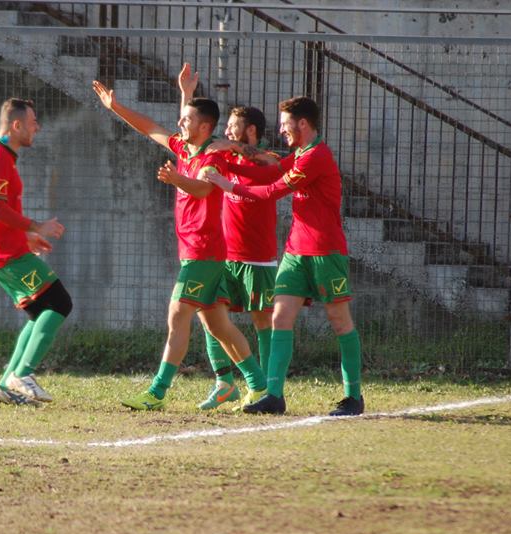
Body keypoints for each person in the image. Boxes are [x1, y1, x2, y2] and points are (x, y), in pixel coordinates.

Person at [93, 67, 267, 411]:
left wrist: (177, 180)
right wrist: (116, 106)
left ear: (204, 127)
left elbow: (203, 188)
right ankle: (259, 386)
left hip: (205, 252)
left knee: (177, 315)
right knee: (218, 325)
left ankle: (156, 393)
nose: (179, 124)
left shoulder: (213, 157)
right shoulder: (184, 148)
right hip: (197, 252)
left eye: (186, 120)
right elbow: (149, 127)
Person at [205, 96, 364, 417]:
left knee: (339, 321)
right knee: (279, 318)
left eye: (285, 124)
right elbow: (270, 170)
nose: (280, 130)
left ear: (302, 123)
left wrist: (226, 183)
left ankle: (353, 396)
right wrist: (228, 163)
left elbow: (273, 189)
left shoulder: (316, 156)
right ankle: (274, 395)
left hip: (325, 251)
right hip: (295, 251)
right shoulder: (301, 153)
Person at [179, 65, 279, 411]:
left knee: (262, 321)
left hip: (257, 257)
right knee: (210, 315)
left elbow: (271, 164)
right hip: (224, 255)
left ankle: (268, 387)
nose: (226, 132)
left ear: (250, 130)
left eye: (233, 127)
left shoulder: (266, 160)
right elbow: (188, 137)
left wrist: (234, 149)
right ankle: (224, 382)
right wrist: (186, 94)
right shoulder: (221, 155)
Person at [0, 98, 72, 406]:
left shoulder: (2, 155)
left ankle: (6, 385)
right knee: (59, 302)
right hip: (4, 253)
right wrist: (37, 226)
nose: (37, 128)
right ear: (16, 126)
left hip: (7, 248)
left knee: (40, 311)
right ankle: (23, 374)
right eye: (32, 122)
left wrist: (25, 236)